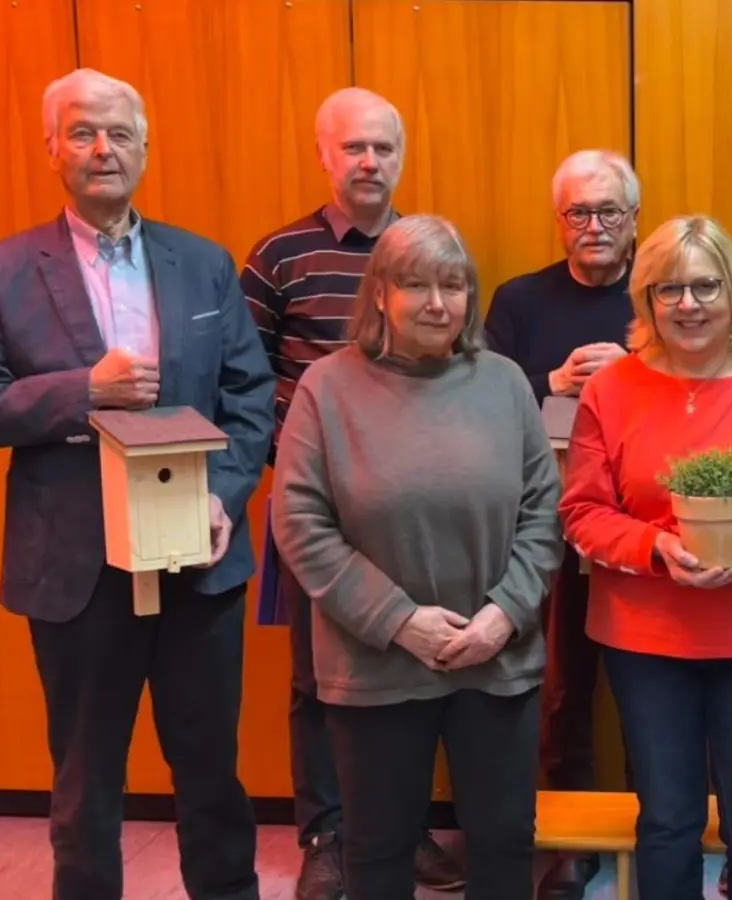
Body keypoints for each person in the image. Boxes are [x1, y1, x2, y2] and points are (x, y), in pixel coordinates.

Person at [0, 67, 275, 900]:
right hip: (75, 571)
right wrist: (83, 390)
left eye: (118, 132)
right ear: (51, 149)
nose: (101, 148)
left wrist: (223, 499)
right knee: (86, 786)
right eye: (81, 131)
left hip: (199, 559)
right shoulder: (5, 271)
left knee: (213, 777)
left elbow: (249, 397)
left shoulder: (204, 263)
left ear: (145, 147)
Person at [271, 214, 563, 900]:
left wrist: (503, 615)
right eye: (416, 284)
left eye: (453, 285)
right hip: (375, 664)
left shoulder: (506, 384)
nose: (437, 302)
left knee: (502, 841)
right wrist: (400, 621)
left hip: (496, 658)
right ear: (380, 294)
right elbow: (300, 523)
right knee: (377, 849)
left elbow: (543, 512)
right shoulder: (326, 388)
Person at [558, 215, 732, 900]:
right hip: (645, 640)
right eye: (667, 288)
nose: (687, 304)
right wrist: (657, 549)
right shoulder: (609, 389)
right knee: (668, 817)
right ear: (645, 300)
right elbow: (582, 513)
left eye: (704, 286)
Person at [241, 85, 465, 899]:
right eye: (353, 147)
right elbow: (242, 375)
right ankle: (329, 835)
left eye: (383, 148)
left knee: (417, 668)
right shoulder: (279, 256)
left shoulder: (428, 254)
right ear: (323, 155)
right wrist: (310, 451)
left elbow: (459, 367)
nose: (369, 161)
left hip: (419, 507)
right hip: (318, 511)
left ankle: (401, 831)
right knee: (316, 676)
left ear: (400, 157)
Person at [483, 148, 640, 900]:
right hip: (541, 527)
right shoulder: (518, 300)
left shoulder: (659, 291)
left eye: (610, 211)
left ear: (635, 220)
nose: (595, 225)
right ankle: (571, 844)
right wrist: (552, 380)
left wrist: (635, 371)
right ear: (559, 222)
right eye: (580, 211)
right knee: (560, 689)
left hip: (641, 523)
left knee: (650, 684)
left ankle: (655, 826)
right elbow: (477, 398)